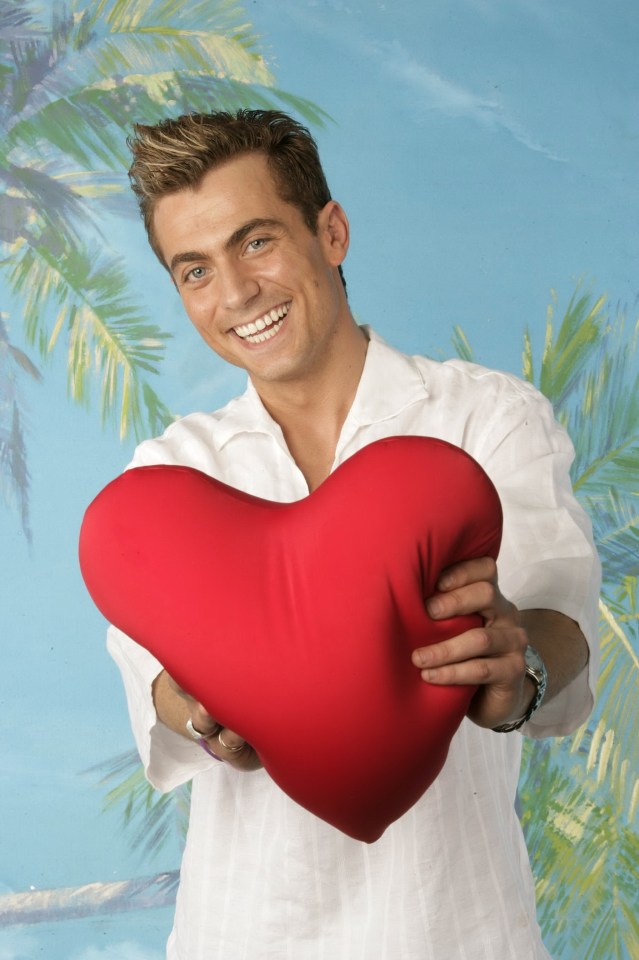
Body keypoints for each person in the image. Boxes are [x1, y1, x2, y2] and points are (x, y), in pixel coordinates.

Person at [107, 109, 600, 959]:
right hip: (242, 933)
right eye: (195, 270)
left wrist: (512, 667)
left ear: (329, 231)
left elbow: (559, 615)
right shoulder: (166, 477)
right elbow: (155, 682)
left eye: (255, 242)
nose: (234, 295)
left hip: (457, 932)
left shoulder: (486, 416)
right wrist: (203, 711)